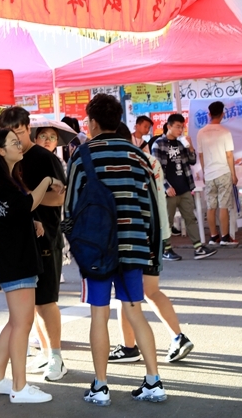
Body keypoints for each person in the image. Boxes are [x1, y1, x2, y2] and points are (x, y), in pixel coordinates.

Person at [64, 93, 167, 405]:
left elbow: (70, 209)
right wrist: (150, 250)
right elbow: (150, 208)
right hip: (134, 246)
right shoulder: (138, 156)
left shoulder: (82, 156)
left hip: (96, 250)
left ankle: (101, 386)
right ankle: (153, 381)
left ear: (93, 123)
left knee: (99, 315)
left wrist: (77, 245)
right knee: (135, 311)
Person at [0, 128, 59, 404]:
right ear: (1, 151)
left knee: (16, 322)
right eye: (14, 142)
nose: (19, 145)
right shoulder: (3, 183)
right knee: (23, 323)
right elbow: (25, 205)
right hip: (17, 261)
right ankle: (19, 387)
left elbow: (16, 213)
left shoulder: (5, 181)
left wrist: (33, 220)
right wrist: (48, 179)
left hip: (14, 259)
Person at [109, 123, 194, 365]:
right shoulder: (148, 160)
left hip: (132, 236)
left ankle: (128, 347)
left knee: (126, 294)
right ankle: (178, 337)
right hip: (157, 234)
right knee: (151, 291)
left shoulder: (120, 163)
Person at [0, 107, 68, 382]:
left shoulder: (42, 157)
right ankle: (47, 351)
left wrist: (29, 202)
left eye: (19, 129)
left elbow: (60, 198)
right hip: (19, 239)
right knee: (31, 303)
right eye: (9, 131)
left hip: (46, 235)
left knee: (46, 300)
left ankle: (57, 357)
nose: (15, 135)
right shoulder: (6, 160)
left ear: (28, 128)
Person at [153, 113, 216, 260]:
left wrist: (191, 147)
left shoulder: (181, 143)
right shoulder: (159, 144)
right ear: (168, 126)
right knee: (167, 220)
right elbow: (156, 169)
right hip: (168, 190)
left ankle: (198, 247)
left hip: (184, 187)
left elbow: (192, 161)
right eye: (177, 127)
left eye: (182, 127)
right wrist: (166, 186)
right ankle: (166, 249)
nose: (180, 130)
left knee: (190, 218)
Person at [197, 102, 238, 247]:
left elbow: (201, 155)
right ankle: (225, 236)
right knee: (223, 205)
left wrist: (204, 171)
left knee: (211, 205)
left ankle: (214, 236)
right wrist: (233, 174)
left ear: (209, 114)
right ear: (222, 113)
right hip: (223, 171)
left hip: (209, 173)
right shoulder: (225, 132)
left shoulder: (201, 132)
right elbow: (229, 155)